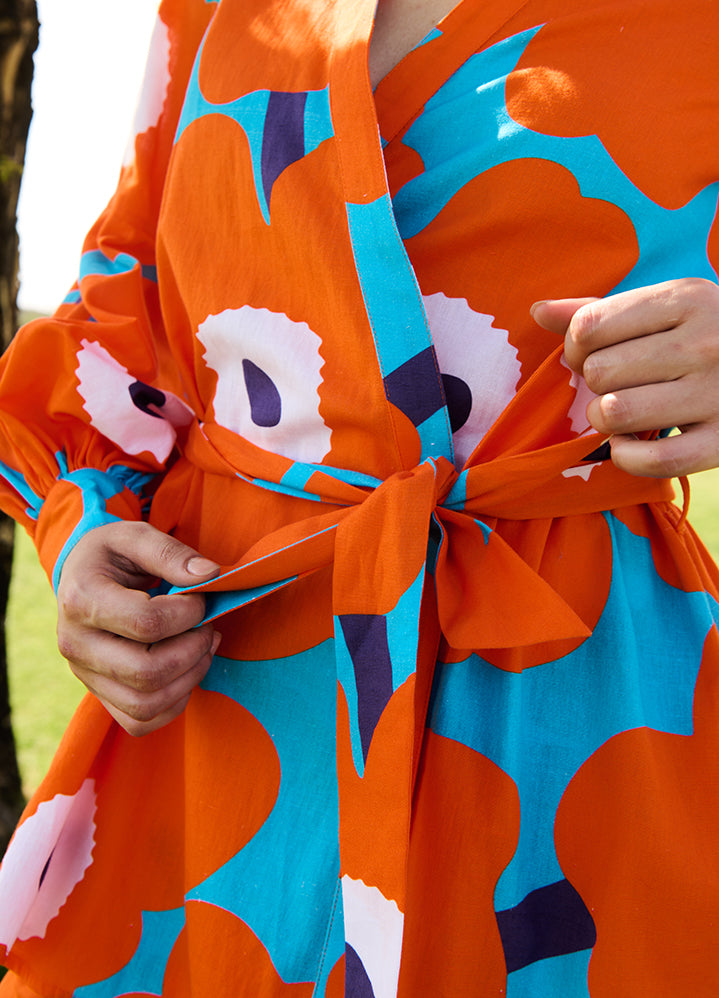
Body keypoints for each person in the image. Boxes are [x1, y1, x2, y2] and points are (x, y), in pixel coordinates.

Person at [1, 0, 719, 993]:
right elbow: (124, 317)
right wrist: (83, 531)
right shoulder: (211, 11)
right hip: (226, 722)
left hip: (567, 714)